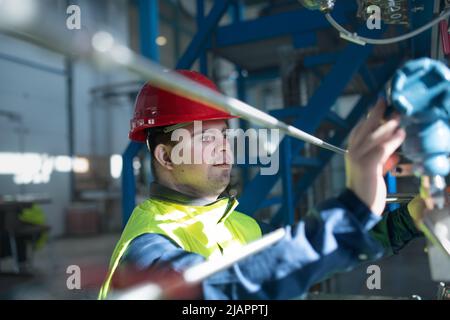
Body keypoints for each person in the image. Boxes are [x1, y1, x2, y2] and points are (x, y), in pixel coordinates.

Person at [98, 70, 423, 300]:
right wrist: (351, 208)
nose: (224, 147)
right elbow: (217, 291)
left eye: (224, 135)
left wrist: (411, 218)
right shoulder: (146, 244)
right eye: (206, 138)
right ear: (166, 157)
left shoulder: (242, 225)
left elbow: (311, 256)